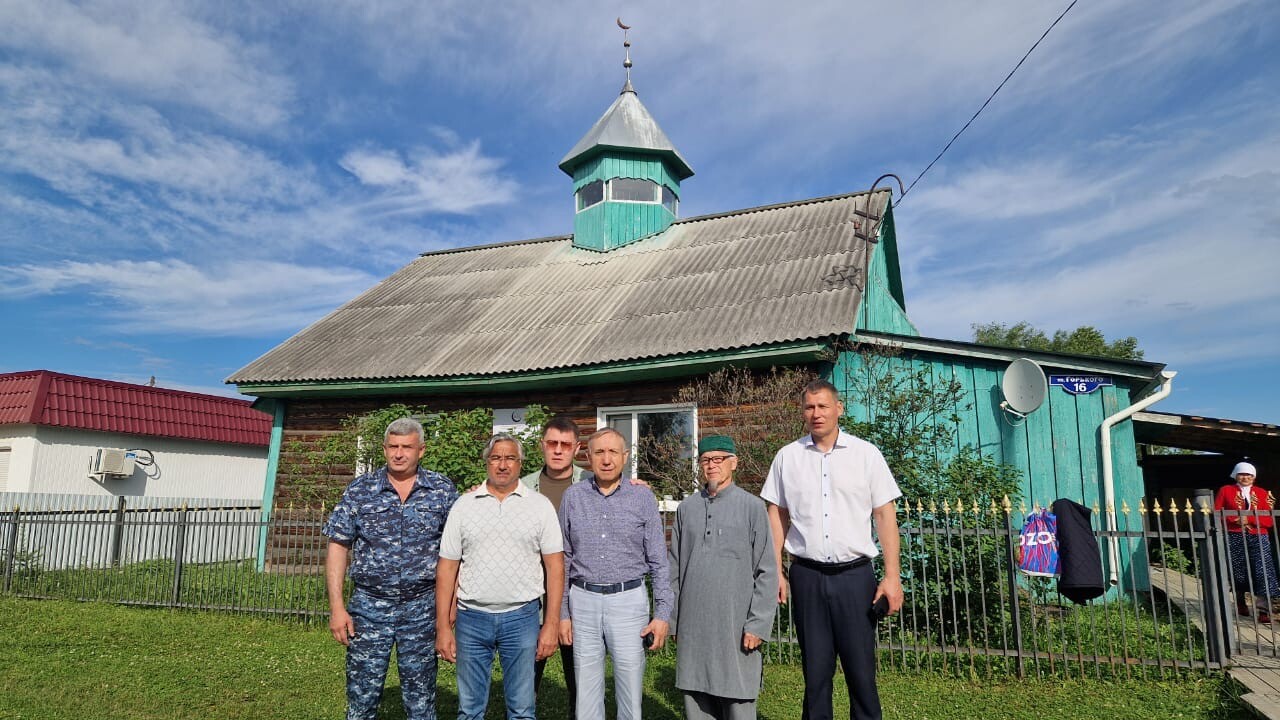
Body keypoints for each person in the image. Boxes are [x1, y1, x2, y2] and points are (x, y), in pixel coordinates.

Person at [760, 380, 902, 720]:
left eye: (823, 406)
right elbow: (776, 514)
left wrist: (893, 576)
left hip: (855, 579)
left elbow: (884, 514)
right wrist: (776, 569)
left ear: (839, 408)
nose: (816, 413)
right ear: (803, 412)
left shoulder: (866, 455)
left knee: (861, 674)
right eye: (810, 407)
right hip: (806, 576)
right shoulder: (787, 457)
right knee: (816, 675)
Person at [323, 417, 459, 720]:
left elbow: (457, 552)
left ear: (421, 450)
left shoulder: (442, 490)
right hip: (370, 607)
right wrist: (337, 607)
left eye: (407, 447)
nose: (399, 453)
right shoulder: (361, 490)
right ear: (384, 449)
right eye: (393, 447)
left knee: (421, 701)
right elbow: (338, 546)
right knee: (361, 697)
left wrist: (451, 608)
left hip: (422, 608)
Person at [435, 433, 565, 720]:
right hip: (471, 618)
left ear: (520, 463)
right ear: (487, 462)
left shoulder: (540, 506)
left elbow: (555, 568)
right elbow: (446, 568)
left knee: (521, 709)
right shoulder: (464, 506)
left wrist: (551, 624)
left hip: (522, 617)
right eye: (496, 458)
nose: (502, 465)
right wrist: (443, 626)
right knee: (469, 710)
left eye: (510, 458)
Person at [558, 427, 672, 720]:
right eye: (599, 452)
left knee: (630, 694)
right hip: (583, 601)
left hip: (628, 601)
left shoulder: (642, 498)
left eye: (612, 452)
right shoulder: (573, 497)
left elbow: (659, 560)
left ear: (625, 456)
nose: (606, 459)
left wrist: (662, 615)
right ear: (588, 457)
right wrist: (562, 614)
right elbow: (564, 559)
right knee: (586, 696)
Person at [669, 435, 779, 720]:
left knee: (738, 700)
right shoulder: (686, 509)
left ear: (734, 462)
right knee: (696, 699)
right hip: (693, 627)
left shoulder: (752, 507)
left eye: (718, 459)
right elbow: (674, 569)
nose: (711, 465)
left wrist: (757, 624)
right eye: (705, 460)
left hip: (736, 627)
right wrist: (673, 621)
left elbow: (767, 571)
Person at [1214, 461, 1279, 623]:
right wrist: (1234, 519)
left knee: (1263, 570)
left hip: (1259, 535)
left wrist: (1248, 519)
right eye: (1242, 474)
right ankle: (1241, 600)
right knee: (1238, 569)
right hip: (1234, 534)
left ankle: (1264, 610)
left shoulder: (1263, 493)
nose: (1245, 477)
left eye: (1249, 475)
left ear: (1254, 477)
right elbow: (1216, 513)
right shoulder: (1226, 490)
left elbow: (1269, 520)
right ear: (1236, 475)